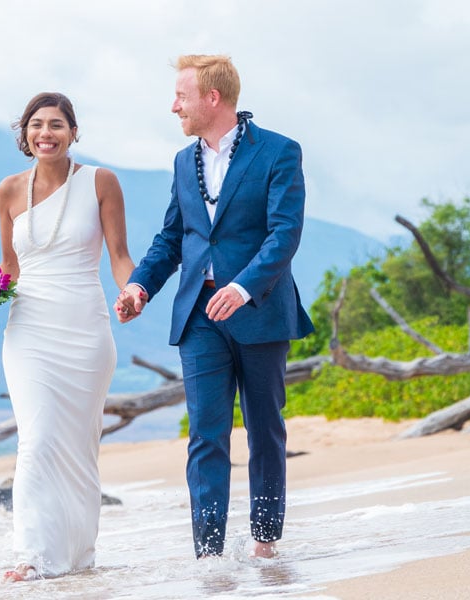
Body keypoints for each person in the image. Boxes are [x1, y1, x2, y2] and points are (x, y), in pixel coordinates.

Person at [114, 54, 314, 560]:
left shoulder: (279, 152)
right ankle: (209, 555)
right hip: (198, 315)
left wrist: (243, 287)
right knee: (206, 433)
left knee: (265, 427)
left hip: (260, 308)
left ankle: (265, 542)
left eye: (181, 96)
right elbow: (174, 236)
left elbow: (284, 233)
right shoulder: (185, 161)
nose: (173, 106)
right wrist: (140, 286)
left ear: (212, 98)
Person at [0, 92, 135, 581]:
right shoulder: (7, 190)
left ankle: (80, 554)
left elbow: (120, 256)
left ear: (73, 132)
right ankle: (34, 555)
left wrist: (133, 293)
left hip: (85, 327)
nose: (47, 133)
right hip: (28, 331)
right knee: (38, 440)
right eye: (37, 124)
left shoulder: (100, 181)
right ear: (24, 134)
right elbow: (10, 268)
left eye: (57, 125)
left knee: (80, 444)